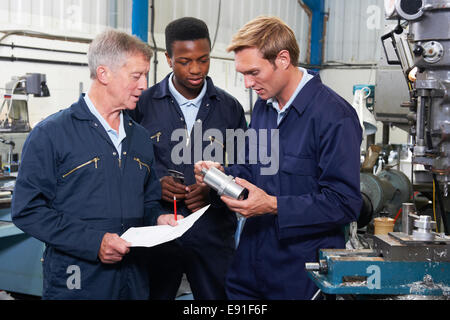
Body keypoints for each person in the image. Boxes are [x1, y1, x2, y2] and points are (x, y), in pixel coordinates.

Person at [194, 16, 362, 300]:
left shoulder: (335, 117)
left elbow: (344, 203)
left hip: (300, 274)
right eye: (242, 74)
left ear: (283, 59)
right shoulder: (264, 108)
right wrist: (221, 174)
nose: (247, 84)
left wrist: (273, 206)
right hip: (249, 266)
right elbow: (251, 168)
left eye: (254, 72)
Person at [11, 29, 168, 299]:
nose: (144, 85)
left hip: (134, 280)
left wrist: (160, 218)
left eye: (145, 75)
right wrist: (94, 243)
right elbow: (27, 210)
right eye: (136, 76)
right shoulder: (52, 134)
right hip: (77, 281)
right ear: (104, 74)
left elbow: (149, 202)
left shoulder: (141, 138)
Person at [130, 17, 247, 300]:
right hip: (159, 233)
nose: (196, 70)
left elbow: (246, 167)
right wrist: (155, 184)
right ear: (168, 58)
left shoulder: (229, 108)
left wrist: (215, 190)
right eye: (184, 61)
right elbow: (127, 164)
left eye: (203, 60)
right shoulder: (142, 105)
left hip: (213, 234)